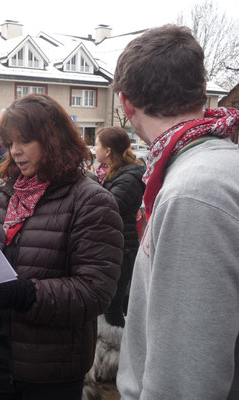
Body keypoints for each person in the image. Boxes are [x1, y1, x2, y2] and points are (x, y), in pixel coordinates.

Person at [0, 94, 124, 400]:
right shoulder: (0, 193)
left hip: (51, 368)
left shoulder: (91, 201)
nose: (15, 151)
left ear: (53, 139)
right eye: (10, 142)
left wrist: (22, 293)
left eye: (25, 141)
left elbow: (94, 292)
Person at [113, 25, 239, 399]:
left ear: (126, 104)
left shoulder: (194, 193)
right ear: (202, 92)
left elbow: (188, 374)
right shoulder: (214, 167)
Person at [95, 127, 145, 328]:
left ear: (107, 151)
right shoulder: (115, 173)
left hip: (123, 249)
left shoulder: (129, 176)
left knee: (113, 308)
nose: (94, 149)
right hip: (116, 246)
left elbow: (109, 208)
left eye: (96, 145)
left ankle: (117, 353)